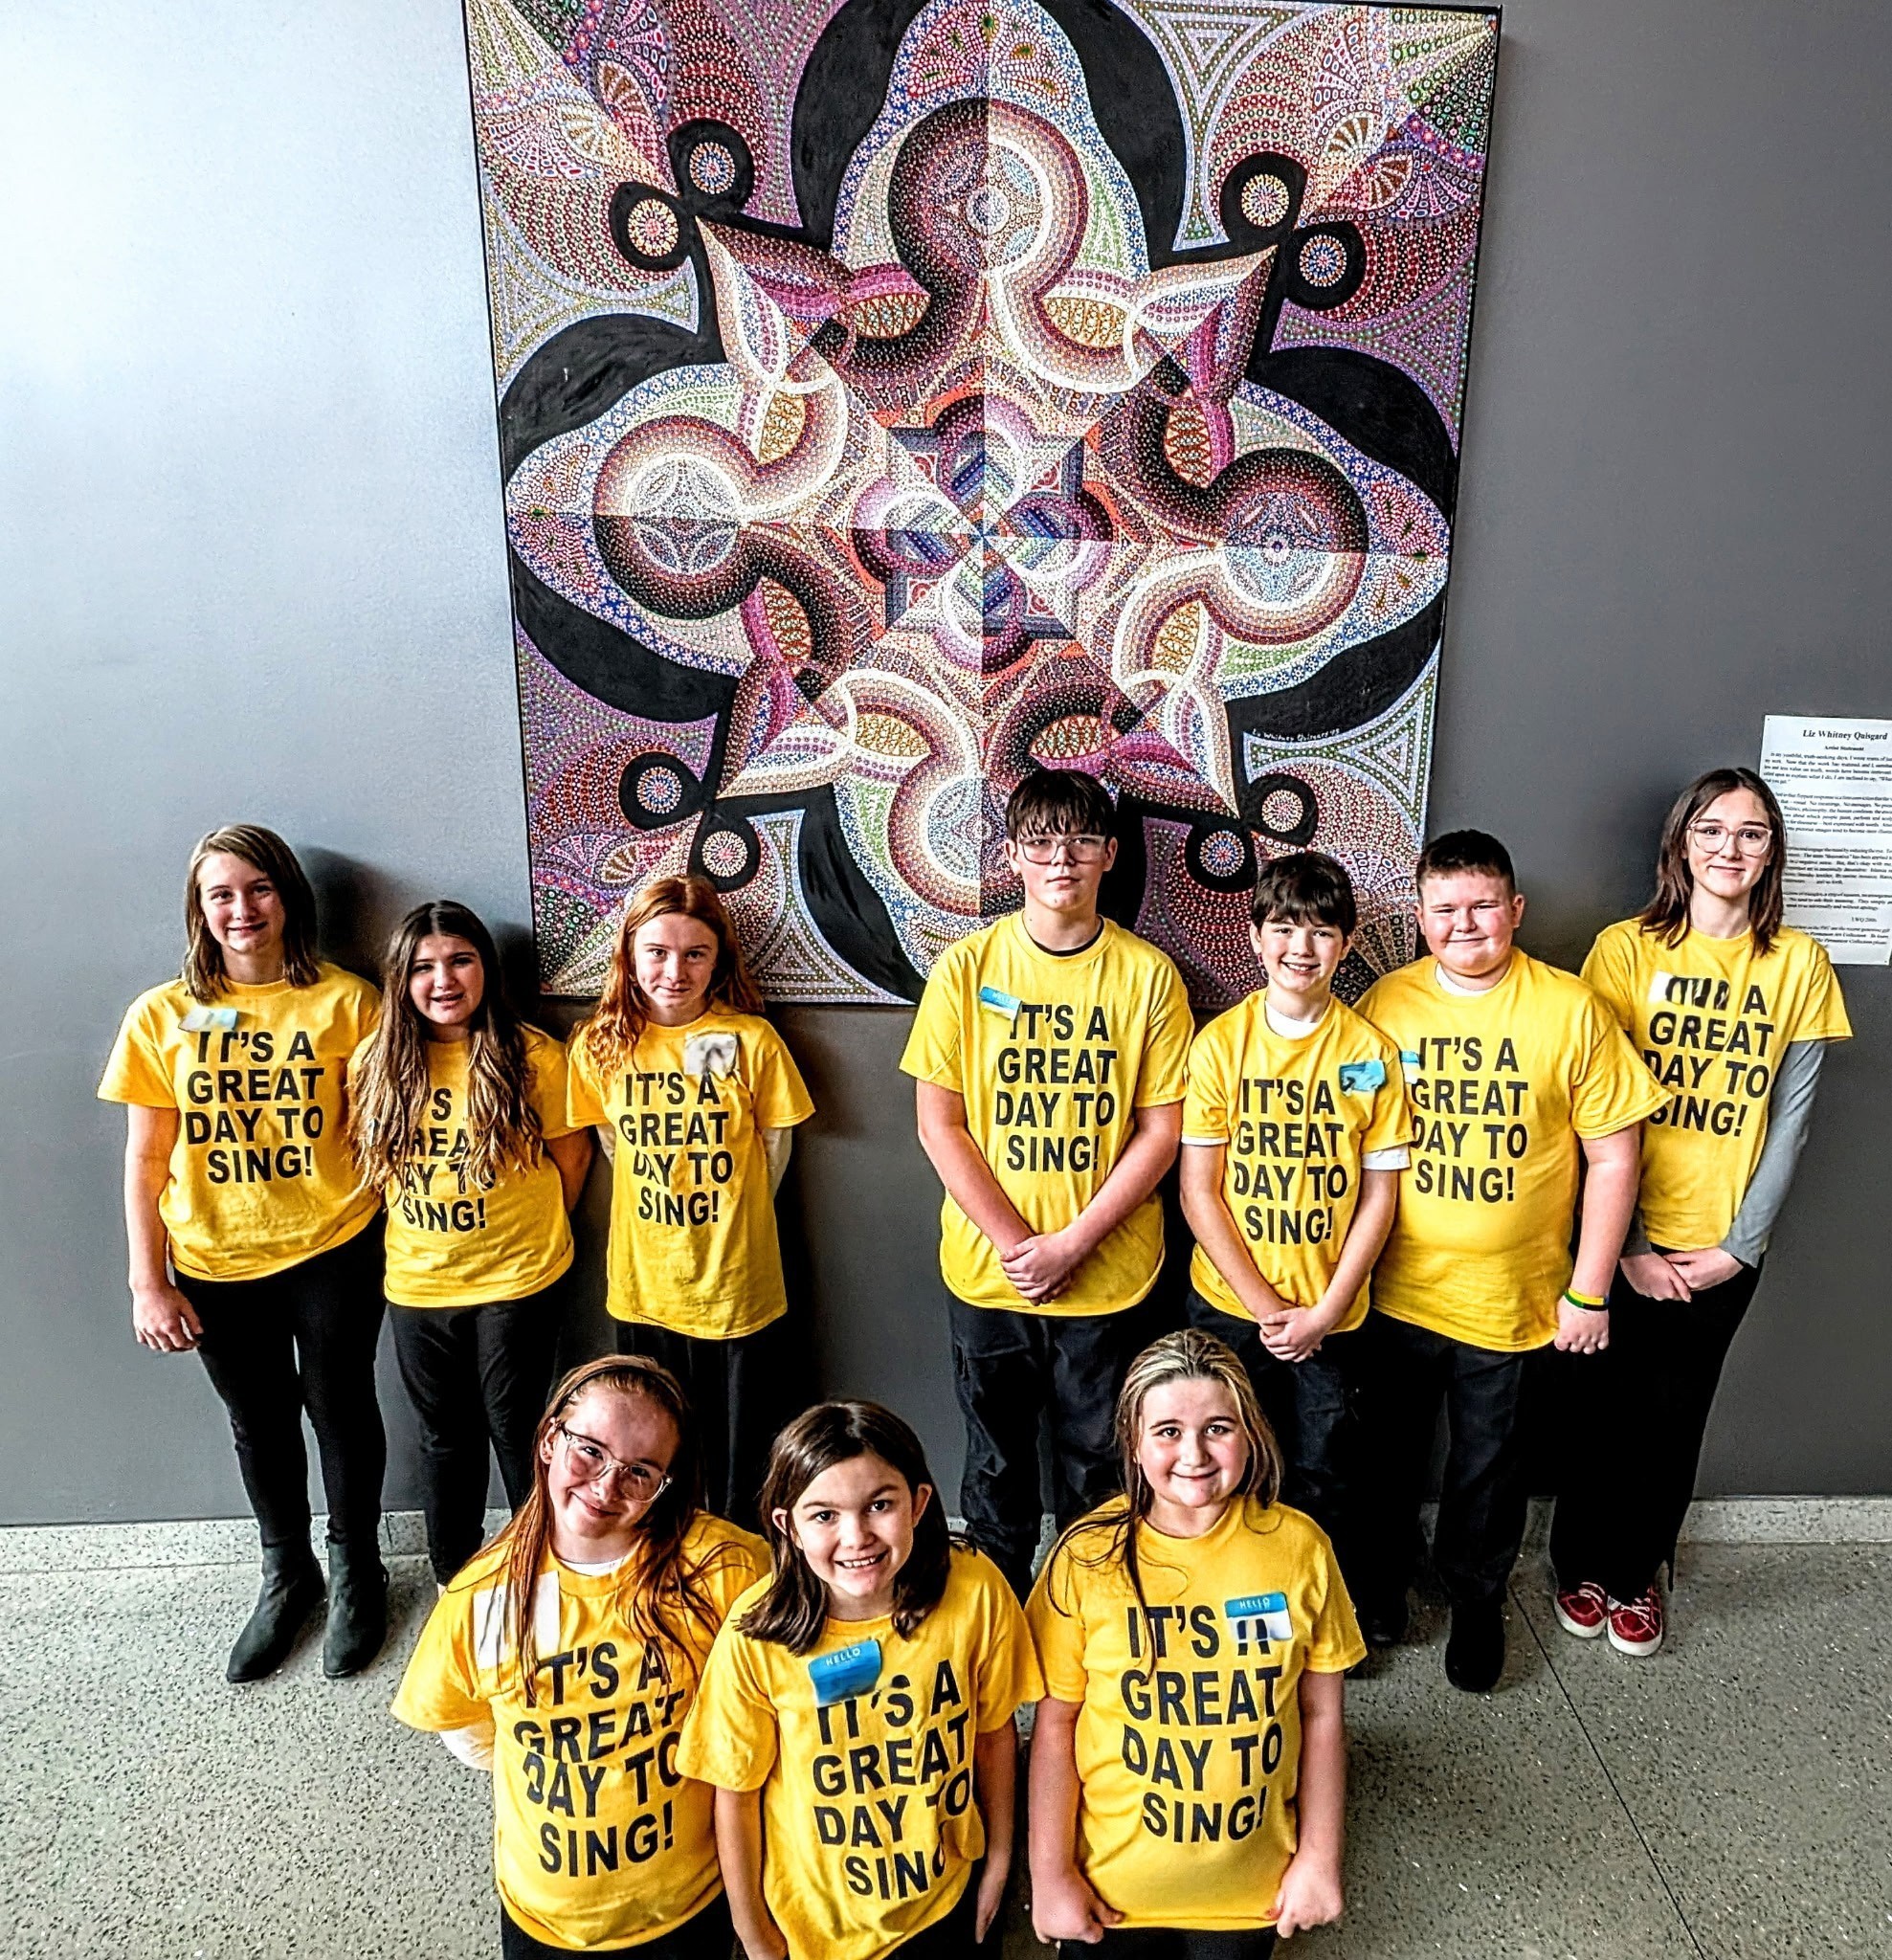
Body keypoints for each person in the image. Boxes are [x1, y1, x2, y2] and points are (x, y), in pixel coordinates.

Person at [1351, 831, 1665, 1692]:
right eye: (1445, 909)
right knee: (1384, 1458)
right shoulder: (1385, 1003)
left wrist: (1589, 1290)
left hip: (1516, 1300)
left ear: (1515, 910)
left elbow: (1614, 1158)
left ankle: (1476, 1598)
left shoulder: (1569, 1009)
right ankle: (1377, 1587)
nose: (1465, 924)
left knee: (1488, 1472)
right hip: (1391, 1293)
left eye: (1483, 905)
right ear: (1419, 917)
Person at [1548, 768, 1851, 1656]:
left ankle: (1635, 1573)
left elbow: (1791, 1118)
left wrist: (1739, 1246)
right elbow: (1592, 1109)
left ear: (1770, 852)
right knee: (1598, 1414)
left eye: (1751, 833)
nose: (1730, 848)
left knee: (1673, 1421)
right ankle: (1577, 1566)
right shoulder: (1624, 950)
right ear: (1681, 842)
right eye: (1711, 830)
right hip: (1618, 1236)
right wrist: (1630, 1245)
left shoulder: (1797, 963)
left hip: (1721, 1244)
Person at [99, 824, 388, 1681]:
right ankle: (286, 1573)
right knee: (257, 1424)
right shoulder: (161, 1015)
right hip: (215, 1260)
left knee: (341, 1410)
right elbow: (146, 1158)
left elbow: (385, 1130)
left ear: (287, 894)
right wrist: (147, 1281)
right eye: (220, 893)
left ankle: (357, 1569)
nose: (241, 909)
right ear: (199, 908)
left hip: (334, 1243)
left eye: (258, 888)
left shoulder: (348, 1003)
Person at [901, 768, 1191, 1599]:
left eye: (1081, 841)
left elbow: (1160, 1130)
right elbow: (939, 1124)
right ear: (1012, 857)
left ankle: (1085, 1611)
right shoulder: (965, 968)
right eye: (1041, 842)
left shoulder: (1147, 976)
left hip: (1108, 1272)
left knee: (1097, 1460)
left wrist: (1073, 1243)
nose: (1061, 859)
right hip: (988, 1273)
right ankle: (997, 1607)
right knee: (994, 1461)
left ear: (1109, 855)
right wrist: (1018, 1244)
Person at [392, 1356, 768, 1957]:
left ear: (666, 1483)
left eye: (639, 1472)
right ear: (549, 1440)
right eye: (589, 1450)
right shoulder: (484, 1595)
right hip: (547, 1918)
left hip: (691, 1902)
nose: (606, 1487)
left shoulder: (722, 1568)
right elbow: (466, 1729)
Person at [1026, 1329, 1363, 1957]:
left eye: (1217, 1428)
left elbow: (1321, 1714)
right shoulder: (1084, 1556)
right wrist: (1049, 1876)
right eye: (1167, 1431)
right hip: (1110, 1891)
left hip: (1249, 1894)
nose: (1194, 1453)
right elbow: (1055, 1724)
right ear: (1133, 1442)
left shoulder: (1300, 1548)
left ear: (1250, 1433)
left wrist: (1319, 1857)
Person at [677, 1402, 1042, 1960]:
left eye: (880, 1505)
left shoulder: (976, 1592)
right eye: (824, 1515)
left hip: (947, 1901)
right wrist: (753, 1934)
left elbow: (994, 1736)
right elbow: (736, 1792)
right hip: (817, 1926)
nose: (857, 1537)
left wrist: (998, 1865)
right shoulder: (756, 1634)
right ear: (788, 1526)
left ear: (919, 1503)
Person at [1178, 852, 1410, 1585]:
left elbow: (1379, 1197)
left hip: (1330, 1316)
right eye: (1282, 928)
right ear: (1255, 937)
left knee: (1323, 1470)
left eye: (1319, 932)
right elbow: (1198, 1192)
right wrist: (1264, 1307)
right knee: (1224, 1462)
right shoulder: (1220, 1046)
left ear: (1344, 943)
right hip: (1229, 1308)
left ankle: (1315, 1603)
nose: (1299, 948)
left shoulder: (1370, 1053)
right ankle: (1226, 1592)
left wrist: (1325, 1311)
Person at [348, 902, 592, 1589]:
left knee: (521, 1430)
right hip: (419, 1283)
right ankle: (453, 1576)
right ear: (400, 979)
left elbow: (571, 1157)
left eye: (460, 960)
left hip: (517, 1279)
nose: (444, 980)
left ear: (486, 967)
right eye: (423, 967)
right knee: (444, 1436)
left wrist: (531, 1232)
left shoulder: (533, 1055)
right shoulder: (373, 1062)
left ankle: (539, 1571)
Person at [568, 876, 813, 1526]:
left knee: (741, 1451)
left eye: (694, 954)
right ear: (628, 955)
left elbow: (773, 1152)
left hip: (737, 1283)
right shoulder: (598, 1045)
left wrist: (725, 1214)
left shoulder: (752, 1042)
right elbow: (613, 1145)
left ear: (718, 959)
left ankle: (739, 1551)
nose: (674, 972)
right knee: (651, 1442)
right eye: (656, 952)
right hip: (645, 1284)